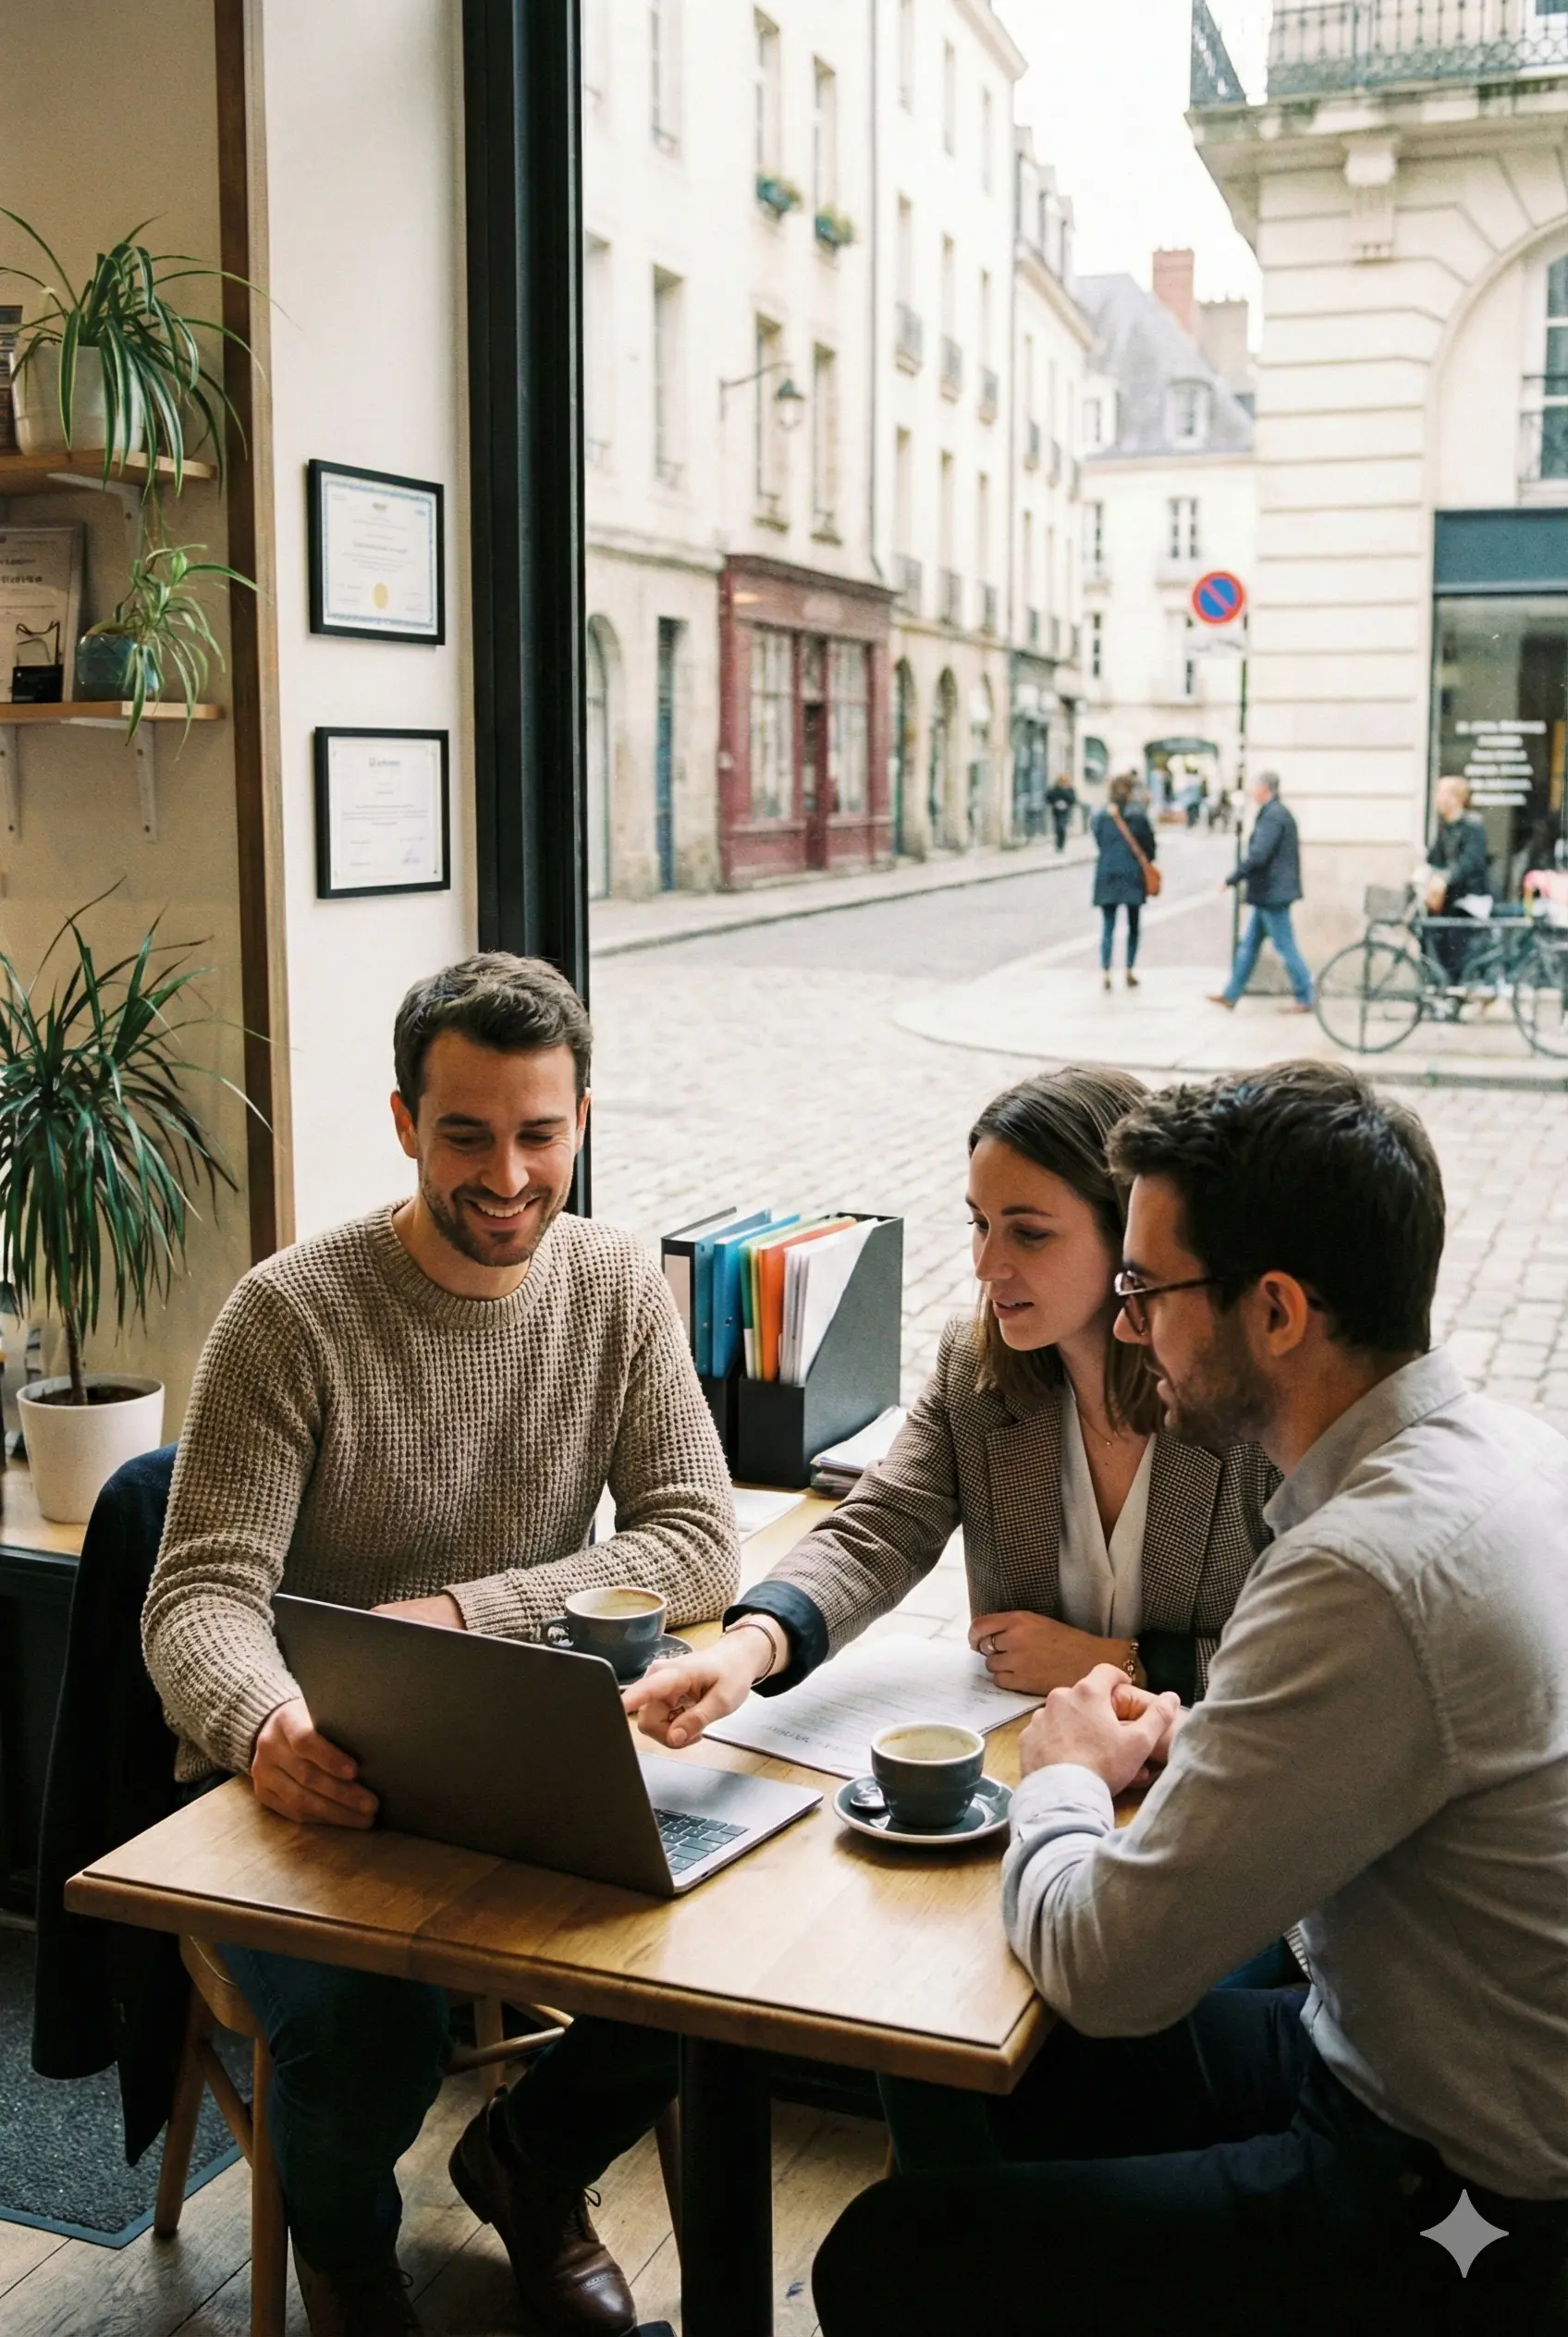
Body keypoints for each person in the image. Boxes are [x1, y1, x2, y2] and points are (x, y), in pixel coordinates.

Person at [812, 1062, 1568, 2337]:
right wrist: (1194, 1729)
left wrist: (1059, 1767)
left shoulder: (1356, 1569)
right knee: (999, 2071)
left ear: (1274, 1311)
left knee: (889, 2258)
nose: (1127, 1326)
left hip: (1459, 2191)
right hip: (1411, 2062)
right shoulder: (1497, 1452)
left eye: (1148, 1290)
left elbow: (1110, 1973)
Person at [141, 953, 739, 2337]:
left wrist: (471, 1613)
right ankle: (346, 2255)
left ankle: (529, 2168)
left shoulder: (613, 1286)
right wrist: (262, 1726)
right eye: (466, 1134)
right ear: (405, 1121)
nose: (510, 1175)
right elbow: (198, 1599)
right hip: (310, 1781)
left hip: (519, 1756)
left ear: (582, 1119)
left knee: (720, 1947)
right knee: (366, 2038)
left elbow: (698, 1538)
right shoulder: (292, 1312)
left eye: (540, 1135)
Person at [627, 1064, 1275, 1758]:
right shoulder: (977, 1368)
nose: (986, 1264)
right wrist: (748, 1648)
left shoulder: (1239, 1399)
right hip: (1022, 1765)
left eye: (1029, 1234)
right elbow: (881, 1529)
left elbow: (1302, 1654)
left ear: (1130, 1234)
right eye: (980, 1224)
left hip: (1213, 1774)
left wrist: (1127, 1664)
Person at [1208, 769, 1314, 1013]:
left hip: (1272, 894)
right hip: (1269, 893)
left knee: (1285, 947)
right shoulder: (1274, 813)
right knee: (1249, 945)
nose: (1252, 792)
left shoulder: (1273, 816)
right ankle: (1231, 993)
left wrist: (1232, 878)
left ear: (1265, 789)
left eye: (1255, 787)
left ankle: (1305, 994)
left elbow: (1258, 855)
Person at [1090, 773, 1157, 994]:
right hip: (1132, 874)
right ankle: (1129, 969)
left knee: (1108, 926)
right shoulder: (1138, 815)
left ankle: (1106, 971)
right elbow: (1149, 847)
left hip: (1107, 874)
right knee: (1133, 925)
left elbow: (1099, 841)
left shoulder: (1100, 816)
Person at [1424, 775, 1491, 987]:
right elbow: (1435, 859)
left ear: (1456, 798)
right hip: (1451, 899)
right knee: (1437, 939)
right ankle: (1445, 988)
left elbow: (1470, 861)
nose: (1437, 798)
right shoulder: (1446, 827)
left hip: (1469, 898)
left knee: (1456, 945)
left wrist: (1445, 877)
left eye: (1442, 793)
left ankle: (1458, 989)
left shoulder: (1473, 826)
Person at [1046, 773, 1078, 853]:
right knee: (1058, 827)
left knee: (1063, 827)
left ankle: (1061, 845)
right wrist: (1054, 803)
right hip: (1056, 811)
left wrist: (1067, 801)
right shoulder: (1054, 790)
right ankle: (1058, 844)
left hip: (1065, 811)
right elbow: (1049, 798)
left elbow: (1073, 799)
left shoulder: (1069, 790)